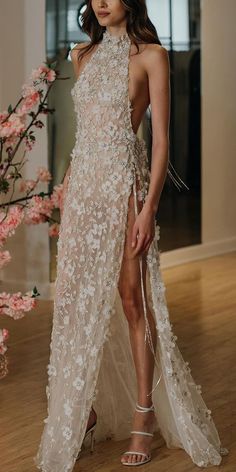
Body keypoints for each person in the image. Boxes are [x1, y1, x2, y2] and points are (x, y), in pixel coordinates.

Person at [34, 1, 229, 471]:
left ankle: (144, 415)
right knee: (79, 300)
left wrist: (148, 208)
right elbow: (81, 138)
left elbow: (160, 140)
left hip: (125, 187)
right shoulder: (80, 55)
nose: (101, 1)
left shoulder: (151, 56)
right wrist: (66, 190)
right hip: (84, 191)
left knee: (131, 299)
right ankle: (85, 412)